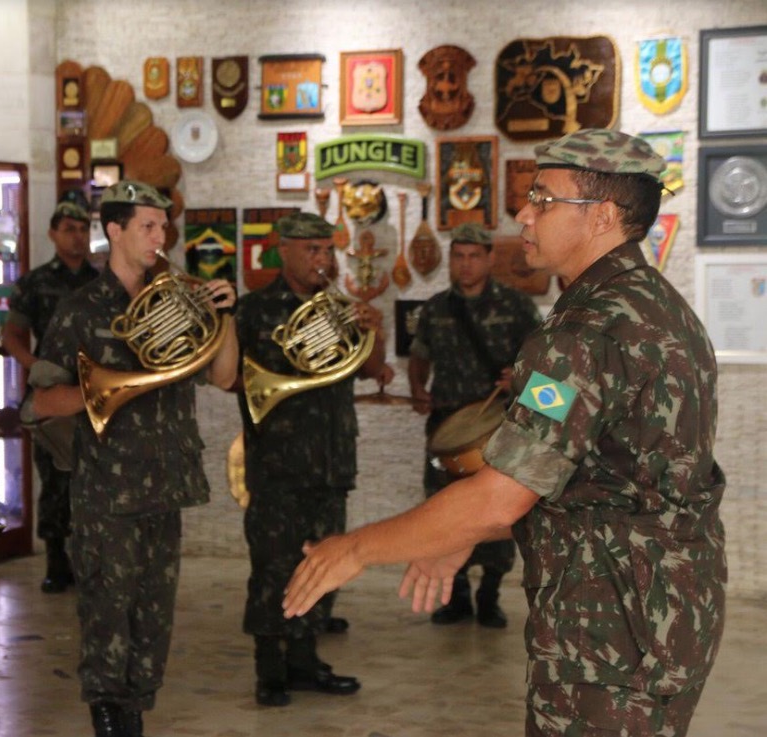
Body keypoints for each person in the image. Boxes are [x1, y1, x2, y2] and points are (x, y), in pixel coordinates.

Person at [283, 129, 726, 737]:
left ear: (602, 215)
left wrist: (355, 549)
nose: (524, 214)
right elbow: (595, 470)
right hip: (661, 608)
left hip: (612, 634)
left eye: (544, 199)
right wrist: (459, 531)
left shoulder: (588, 329)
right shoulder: (653, 304)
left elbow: (501, 497)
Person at [29, 180, 238, 737]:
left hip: (166, 483)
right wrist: (107, 391)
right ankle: (105, 712)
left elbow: (224, 377)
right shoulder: (79, 309)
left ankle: (134, 713)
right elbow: (38, 401)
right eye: (148, 225)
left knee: (153, 616)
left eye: (164, 226)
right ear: (114, 230)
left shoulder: (180, 300)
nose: (160, 236)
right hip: (107, 491)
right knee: (106, 611)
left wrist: (227, 316)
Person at [234, 211, 392, 707]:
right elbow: (230, 377)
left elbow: (375, 371)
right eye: (313, 250)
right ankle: (269, 668)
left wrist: (376, 329)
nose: (323, 259)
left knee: (324, 565)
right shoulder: (254, 310)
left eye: (328, 250)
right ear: (286, 251)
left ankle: (304, 661)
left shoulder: (340, 307)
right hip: (278, 463)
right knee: (272, 567)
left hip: (331, 459)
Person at [407, 222, 541, 628]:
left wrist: (517, 378)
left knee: (498, 512)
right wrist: (416, 387)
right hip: (448, 425)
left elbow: (542, 361)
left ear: (489, 259)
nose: (465, 265)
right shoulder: (434, 308)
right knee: (444, 509)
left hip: (499, 427)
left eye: (473, 257)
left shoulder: (517, 306)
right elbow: (419, 356)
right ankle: (457, 594)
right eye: (458, 257)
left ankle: (490, 594)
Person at [5, 201, 97, 594]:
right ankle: (57, 560)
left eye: (83, 228)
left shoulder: (103, 281)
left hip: (95, 391)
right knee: (56, 478)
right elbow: (11, 334)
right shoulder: (36, 282)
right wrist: (34, 365)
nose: (78, 236)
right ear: (53, 233)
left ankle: (94, 558)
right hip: (51, 393)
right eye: (70, 228)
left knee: (94, 478)